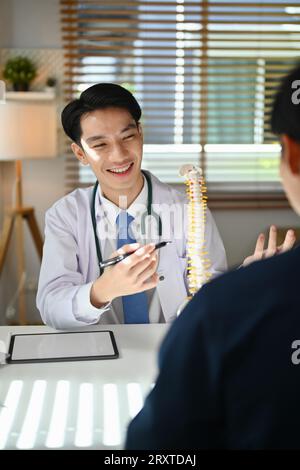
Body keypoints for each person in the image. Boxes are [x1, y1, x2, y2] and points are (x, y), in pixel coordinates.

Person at [125, 65, 300, 449]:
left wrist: (247, 295)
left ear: (291, 156)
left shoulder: (227, 309)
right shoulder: (231, 306)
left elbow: (154, 447)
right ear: (80, 153)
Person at [36, 83, 227, 328]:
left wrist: (243, 283)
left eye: (127, 137)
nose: (119, 155)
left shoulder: (189, 211)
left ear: (140, 133)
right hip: (96, 353)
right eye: (100, 145)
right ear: (80, 154)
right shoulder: (65, 216)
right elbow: (51, 307)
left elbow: (214, 297)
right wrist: (102, 290)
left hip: (171, 348)